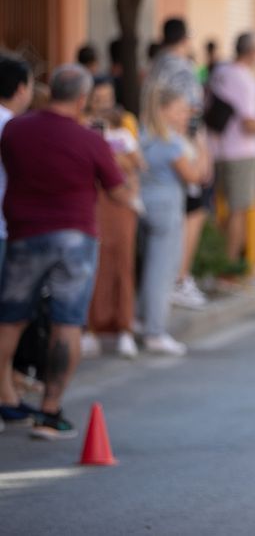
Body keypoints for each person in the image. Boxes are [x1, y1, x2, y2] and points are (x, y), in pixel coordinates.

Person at [0, 64, 133, 439]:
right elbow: (117, 191)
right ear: (82, 99)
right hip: (74, 237)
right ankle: (50, 411)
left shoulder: (15, 129)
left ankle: (3, 397)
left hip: (23, 233)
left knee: (10, 318)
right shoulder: (89, 140)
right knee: (67, 322)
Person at [136, 81, 209, 356]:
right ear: (163, 110)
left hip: (145, 205)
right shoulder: (170, 143)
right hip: (166, 208)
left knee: (147, 268)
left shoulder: (145, 135)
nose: (185, 116)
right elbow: (197, 176)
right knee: (161, 271)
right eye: (179, 110)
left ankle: (143, 320)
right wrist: (201, 146)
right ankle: (155, 331)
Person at [146, 17, 210, 308]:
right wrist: (198, 144)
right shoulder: (183, 68)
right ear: (185, 39)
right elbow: (192, 111)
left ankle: (174, 279)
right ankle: (179, 279)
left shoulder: (155, 64)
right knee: (193, 210)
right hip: (177, 144)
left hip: (153, 139)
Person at [80, 79, 145, 359]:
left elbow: (137, 163)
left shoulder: (123, 126)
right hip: (91, 202)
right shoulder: (80, 126)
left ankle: (124, 328)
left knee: (122, 264)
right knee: (93, 266)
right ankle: (90, 328)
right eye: (98, 97)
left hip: (119, 202)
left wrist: (107, 152)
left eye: (107, 97)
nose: (103, 103)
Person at [0, 51, 35, 431]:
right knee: (7, 317)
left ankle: (7, 390)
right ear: (21, 88)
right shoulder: (14, 128)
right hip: (6, 228)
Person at [208, 32, 255, 268]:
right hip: (240, 152)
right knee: (237, 211)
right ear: (252, 52)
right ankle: (229, 268)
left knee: (216, 211)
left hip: (216, 150)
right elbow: (249, 122)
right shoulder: (245, 79)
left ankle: (214, 260)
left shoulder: (220, 72)